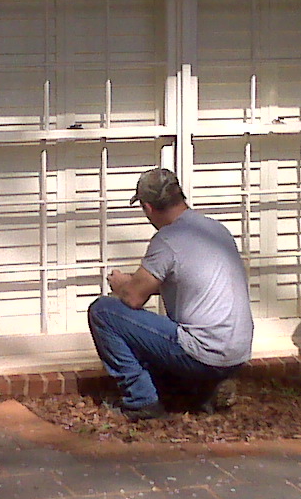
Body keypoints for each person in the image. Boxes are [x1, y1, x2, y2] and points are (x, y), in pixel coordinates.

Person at [87, 168, 253, 420]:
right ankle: (202, 391)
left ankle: (141, 401)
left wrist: (120, 282)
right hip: (237, 352)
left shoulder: (168, 239)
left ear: (148, 208)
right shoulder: (215, 230)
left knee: (104, 312)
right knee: (156, 337)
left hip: (202, 352)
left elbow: (133, 297)